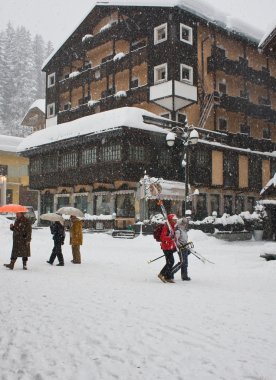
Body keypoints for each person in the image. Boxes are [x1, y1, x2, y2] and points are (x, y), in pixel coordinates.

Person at [158, 213, 177, 283]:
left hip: (170, 247)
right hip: (166, 247)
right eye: (174, 220)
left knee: (169, 261)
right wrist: (170, 238)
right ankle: (161, 274)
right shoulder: (166, 227)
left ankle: (167, 276)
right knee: (171, 261)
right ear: (170, 220)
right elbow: (162, 237)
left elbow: (173, 238)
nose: (175, 221)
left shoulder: (172, 227)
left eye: (176, 220)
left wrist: (175, 246)